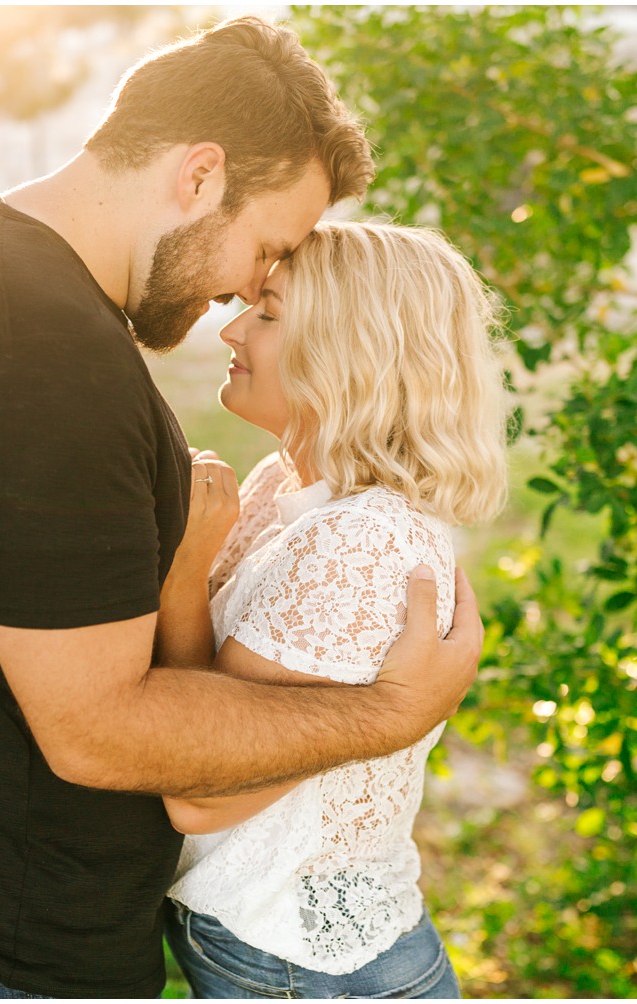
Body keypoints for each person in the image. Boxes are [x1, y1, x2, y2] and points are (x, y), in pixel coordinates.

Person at [0, 16, 484, 999]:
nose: (247, 291)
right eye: (268, 249)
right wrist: (388, 709)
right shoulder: (29, 343)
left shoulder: (24, 284)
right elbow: (98, 730)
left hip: (10, 897)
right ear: (198, 174)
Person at [155, 221, 512, 998]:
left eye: (270, 314)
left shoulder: (362, 546)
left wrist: (182, 575)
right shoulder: (283, 487)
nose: (232, 325)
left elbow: (199, 790)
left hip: (306, 967)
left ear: (353, 355)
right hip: (259, 943)